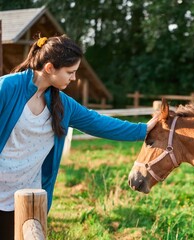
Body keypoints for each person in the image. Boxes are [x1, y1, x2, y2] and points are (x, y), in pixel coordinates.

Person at [0, 34, 158, 239]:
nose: (73, 78)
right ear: (49, 68)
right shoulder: (7, 88)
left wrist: (142, 130)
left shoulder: (62, 104)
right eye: (70, 72)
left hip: (30, 197)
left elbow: (98, 123)